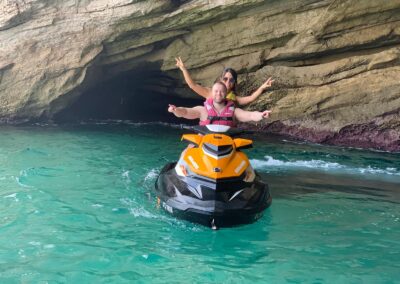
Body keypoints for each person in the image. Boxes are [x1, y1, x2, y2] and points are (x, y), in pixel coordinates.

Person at [175, 57, 274, 105]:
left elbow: (250, 98)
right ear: (221, 79)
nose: (228, 82)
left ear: (234, 83)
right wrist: (184, 69)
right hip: (208, 129)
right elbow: (192, 85)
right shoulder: (210, 92)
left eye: (231, 80)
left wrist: (262, 87)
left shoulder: (234, 98)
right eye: (225, 79)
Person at [168, 82, 271, 126]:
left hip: (227, 145)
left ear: (226, 94)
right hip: (205, 142)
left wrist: (261, 115)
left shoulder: (234, 112)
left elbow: (250, 115)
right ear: (212, 93)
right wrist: (175, 110)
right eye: (216, 91)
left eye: (221, 91)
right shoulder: (203, 110)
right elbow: (185, 112)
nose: (218, 94)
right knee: (187, 150)